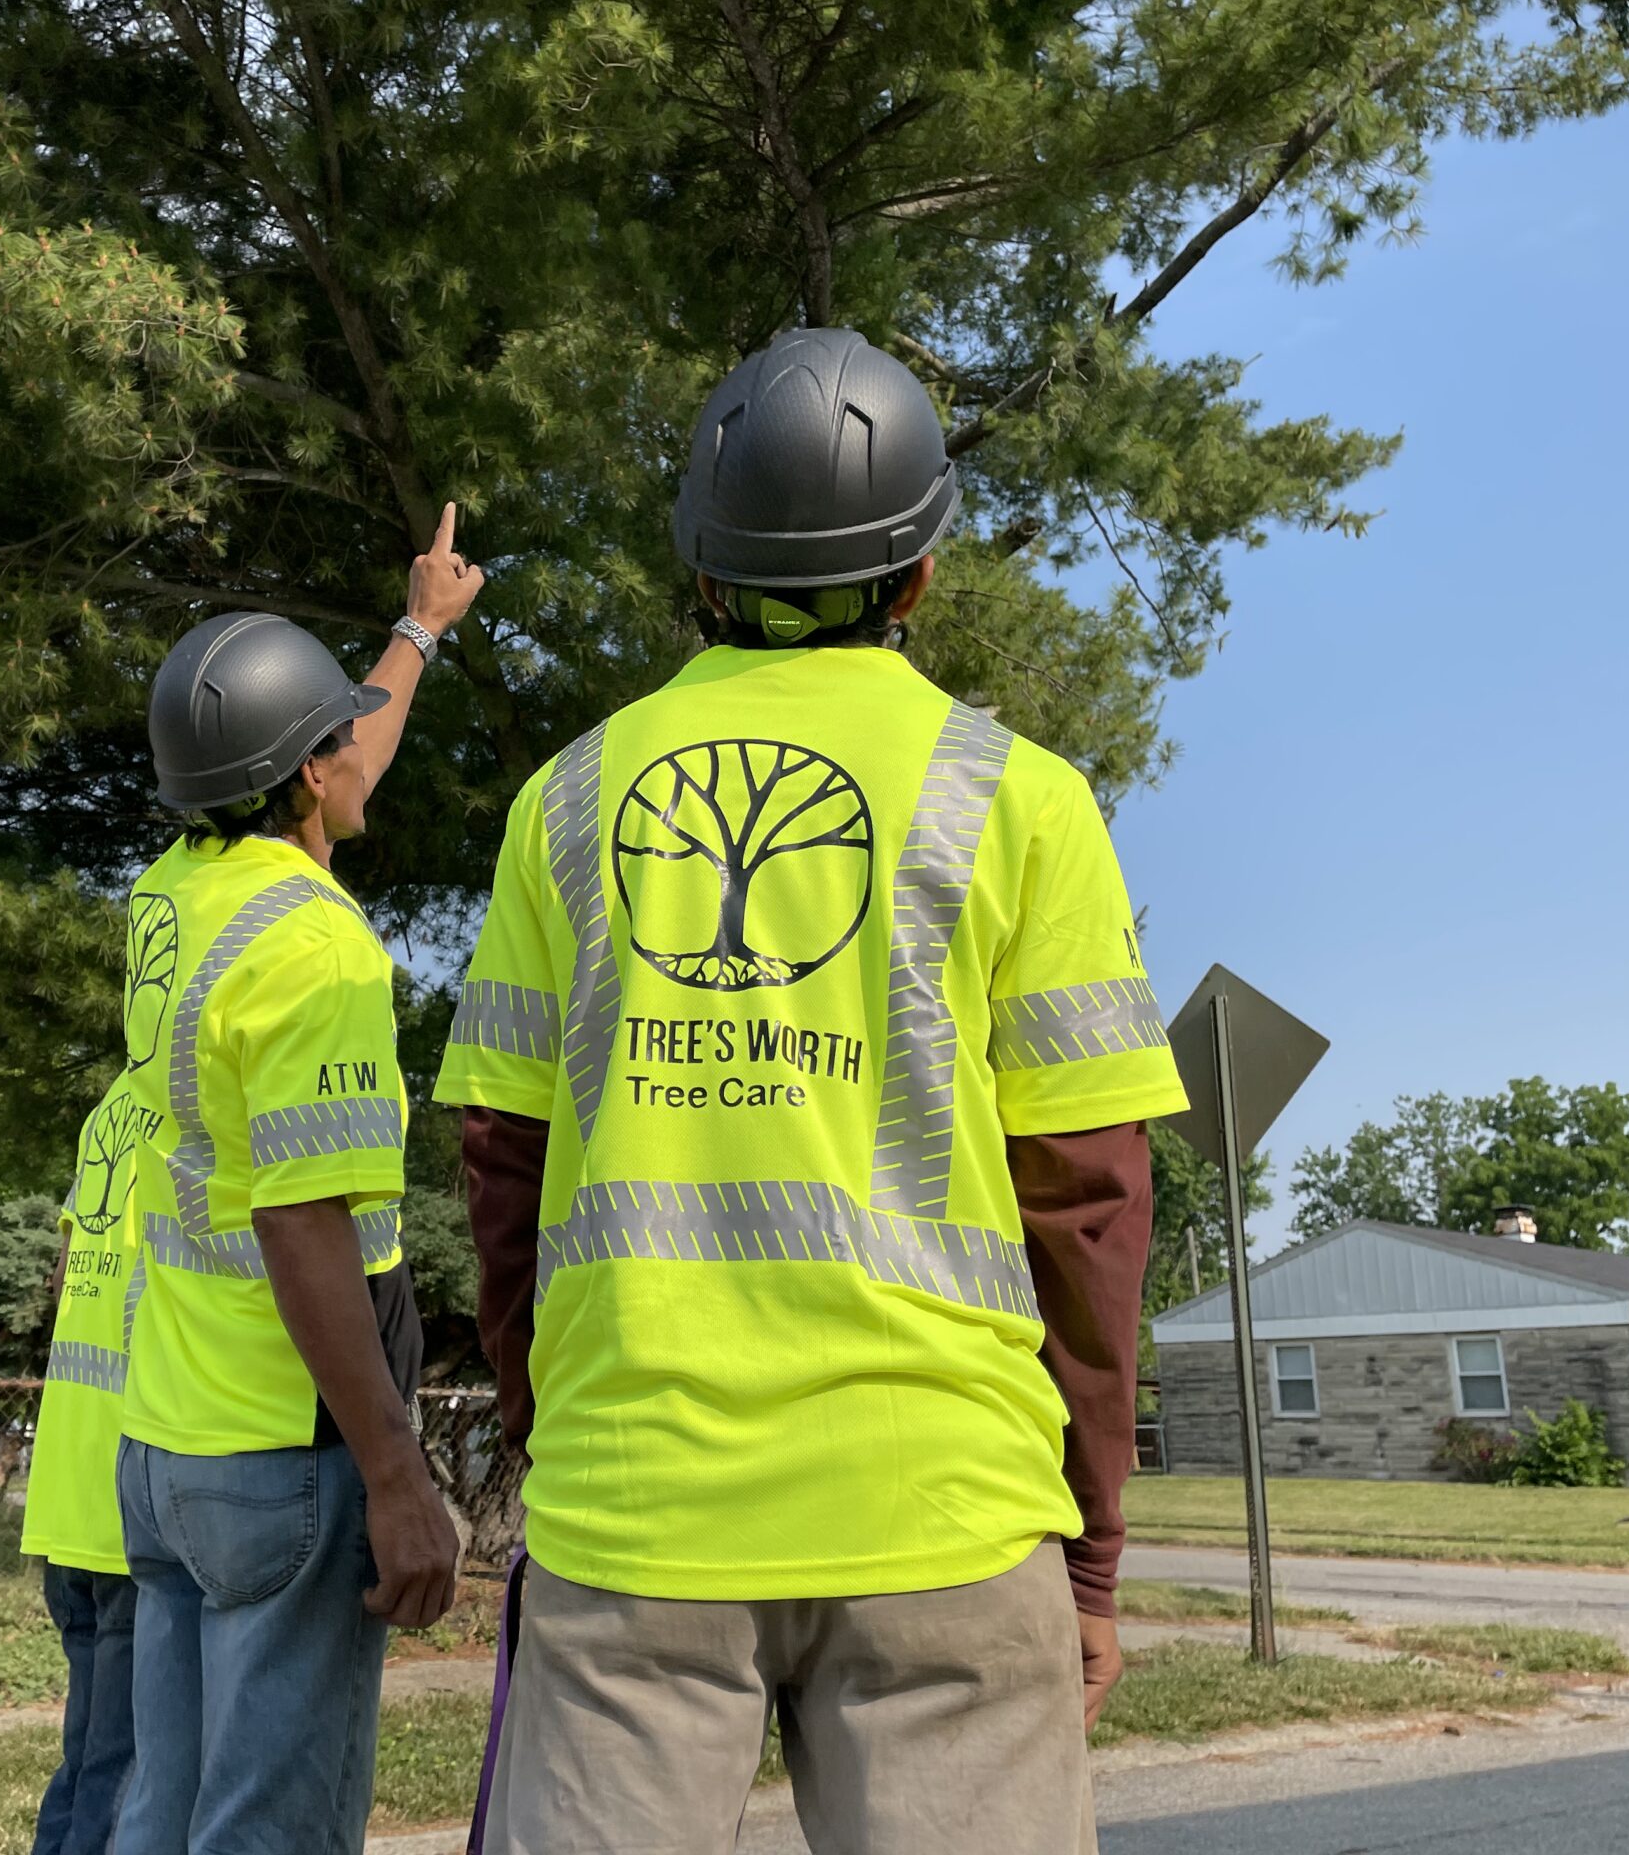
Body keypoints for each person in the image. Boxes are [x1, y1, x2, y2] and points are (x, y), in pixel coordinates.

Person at [434, 329, 1189, 1855]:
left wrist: (548, 1432)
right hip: (950, 1515)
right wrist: (1091, 1547)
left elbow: (502, 1168)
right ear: (920, 574)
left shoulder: (566, 803)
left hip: (633, 1509)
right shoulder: (1021, 798)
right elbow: (1092, 1204)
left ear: (699, 568)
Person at [109, 513, 484, 1854]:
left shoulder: (175, 895)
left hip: (164, 1454)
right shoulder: (317, 949)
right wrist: (396, 1475)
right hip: (284, 1457)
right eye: (337, 740)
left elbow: (340, 750)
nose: (355, 750)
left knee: (162, 1815)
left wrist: (420, 627)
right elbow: (303, 1222)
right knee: (269, 1834)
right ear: (308, 777)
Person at [19, 1076, 149, 1855]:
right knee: (121, 1769)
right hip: (131, 1506)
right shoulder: (187, 1099)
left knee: (90, 1757)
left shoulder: (112, 1107)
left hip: (66, 1498)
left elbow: (70, 1273)